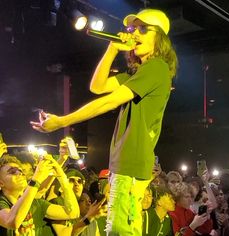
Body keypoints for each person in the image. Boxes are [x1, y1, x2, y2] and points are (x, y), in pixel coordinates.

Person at [31, 8, 178, 235]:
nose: (134, 33)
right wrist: (112, 49)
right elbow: (97, 87)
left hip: (132, 162)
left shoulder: (156, 67)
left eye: (143, 29)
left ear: (160, 39)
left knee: (119, 230)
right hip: (127, 163)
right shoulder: (139, 73)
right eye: (132, 28)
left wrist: (62, 121)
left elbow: (108, 102)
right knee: (122, 228)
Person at [0, 154, 79, 235]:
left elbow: (72, 213)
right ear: (1, 183)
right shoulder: (2, 203)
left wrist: (62, 177)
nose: (19, 173)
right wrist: (37, 178)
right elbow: (11, 221)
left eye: (20, 171)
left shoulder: (35, 203)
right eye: (12, 172)